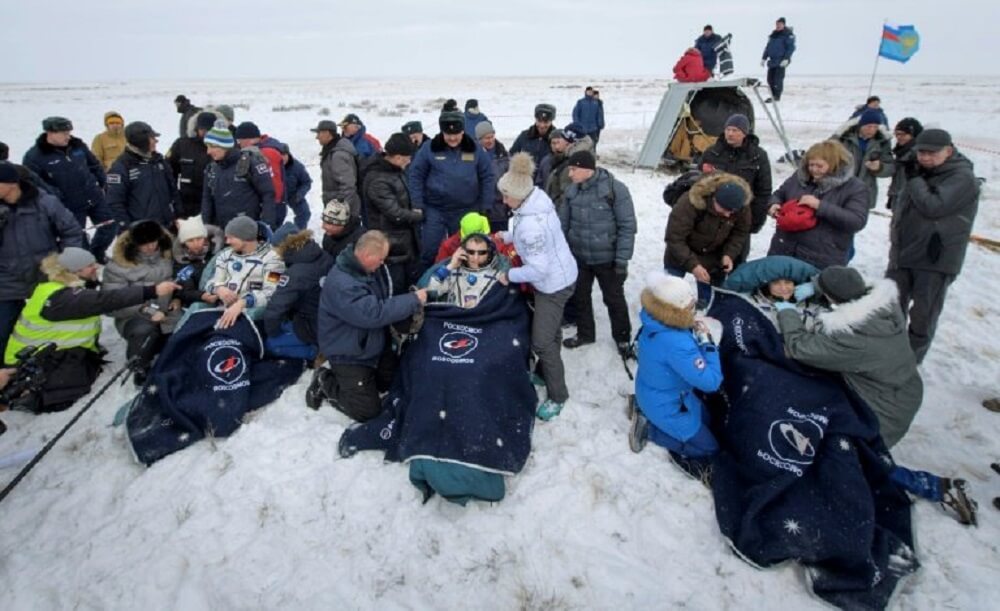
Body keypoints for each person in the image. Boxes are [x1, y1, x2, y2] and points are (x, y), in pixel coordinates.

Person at [777, 266, 977, 524]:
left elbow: (799, 347)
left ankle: (932, 486)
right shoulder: (883, 305)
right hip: (904, 390)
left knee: (842, 459)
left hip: (884, 410)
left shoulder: (854, 338)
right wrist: (816, 286)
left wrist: (787, 312)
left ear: (832, 298)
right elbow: (844, 281)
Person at [3, 247, 179, 412]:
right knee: (73, 382)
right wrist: (152, 291)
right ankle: (30, 396)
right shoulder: (63, 298)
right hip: (30, 364)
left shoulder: (56, 286)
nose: (95, 268)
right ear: (74, 271)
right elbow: (106, 299)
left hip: (44, 353)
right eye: (89, 266)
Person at [495, 153, 577, 420]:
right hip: (559, 275)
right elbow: (526, 231)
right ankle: (544, 372)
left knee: (542, 342)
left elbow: (538, 268)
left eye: (506, 196)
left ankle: (558, 395)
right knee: (550, 333)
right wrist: (508, 236)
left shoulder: (531, 225)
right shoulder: (535, 202)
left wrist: (509, 275)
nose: (503, 200)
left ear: (519, 195)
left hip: (553, 285)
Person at [887, 128, 980, 363]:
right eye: (921, 153)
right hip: (904, 252)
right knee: (891, 306)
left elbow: (933, 206)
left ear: (948, 151)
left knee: (923, 314)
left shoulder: (962, 178)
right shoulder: (920, 171)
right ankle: (888, 356)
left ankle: (909, 363)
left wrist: (915, 180)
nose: (925, 158)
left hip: (934, 258)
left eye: (932, 153)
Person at [312, 230, 427, 421]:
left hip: (370, 343)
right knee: (367, 411)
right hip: (349, 353)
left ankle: (365, 381)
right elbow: (373, 314)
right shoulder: (343, 284)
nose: (383, 263)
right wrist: (412, 300)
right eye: (381, 259)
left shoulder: (364, 269)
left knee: (392, 382)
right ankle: (324, 380)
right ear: (367, 255)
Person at [629, 271, 723, 458]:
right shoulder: (678, 344)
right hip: (667, 404)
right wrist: (707, 343)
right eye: (691, 306)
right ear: (676, 311)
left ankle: (640, 406)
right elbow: (711, 382)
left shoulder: (653, 319)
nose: (695, 310)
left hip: (651, 390)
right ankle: (650, 431)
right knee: (710, 449)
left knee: (710, 420)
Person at [0, 161, 84, 360]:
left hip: (45, 277)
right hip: (6, 282)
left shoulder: (45, 202)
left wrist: (65, 264)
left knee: (56, 324)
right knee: (3, 331)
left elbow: (71, 231)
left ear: (11, 183)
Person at [558, 151, 636, 356]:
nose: (570, 174)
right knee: (580, 297)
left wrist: (622, 260)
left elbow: (627, 226)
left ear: (587, 169)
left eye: (573, 169)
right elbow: (562, 225)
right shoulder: (571, 191)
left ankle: (622, 339)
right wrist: (562, 254)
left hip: (607, 259)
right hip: (579, 257)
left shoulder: (615, 189)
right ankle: (585, 334)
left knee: (614, 299)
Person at [408, 110, 495, 270]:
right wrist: (417, 203)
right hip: (435, 209)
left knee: (465, 249)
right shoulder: (429, 148)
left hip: (466, 208)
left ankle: (462, 278)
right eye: (448, 134)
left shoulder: (474, 148)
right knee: (430, 249)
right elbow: (415, 175)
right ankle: (426, 279)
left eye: (456, 134)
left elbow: (487, 176)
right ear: (442, 132)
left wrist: (486, 204)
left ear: (463, 131)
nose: (453, 138)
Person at [22, 116, 116, 262]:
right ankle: (87, 263)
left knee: (110, 225)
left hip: (94, 196)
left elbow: (94, 164)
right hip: (69, 205)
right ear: (50, 133)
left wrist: (103, 182)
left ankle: (97, 253)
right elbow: (35, 183)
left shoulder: (77, 146)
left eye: (69, 132)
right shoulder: (34, 156)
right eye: (64, 133)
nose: (68, 137)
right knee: (78, 237)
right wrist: (55, 195)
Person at [766, 140, 869, 269]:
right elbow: (780, 194)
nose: (814, 169)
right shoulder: (799, 177)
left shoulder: (854, 188)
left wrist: (820, 206)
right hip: (783, 248)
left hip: (822, 256)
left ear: (834, 164)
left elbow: (856, 221)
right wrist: (774, 204)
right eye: (811, 165)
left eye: (819, 166)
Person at [102, 220, 180, 384]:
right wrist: (149, 310)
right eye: (144, 244)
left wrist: (178, 298)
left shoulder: (170, 253)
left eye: (153, 241)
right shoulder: (118, 265)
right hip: (135, 317)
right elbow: (111, 303)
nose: (151, 247)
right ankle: (140, 366)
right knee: (143, 332)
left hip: (170, 312)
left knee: (187, 331)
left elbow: (183, 279)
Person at [259, 225, 333, 361]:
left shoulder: (295, 274)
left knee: (269, 345)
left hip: (312, 325)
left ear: (282, 247)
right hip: (330, 317)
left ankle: (315, 352)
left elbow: (275, 310)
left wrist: (272, 332)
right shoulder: (321, 255)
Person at [664, 174, 752, 287]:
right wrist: (693, 265)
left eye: (732, 212)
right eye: (724, 209)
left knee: (711, 295)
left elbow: (740, 233)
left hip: (714, 258)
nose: (728, 214)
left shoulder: (740, 205)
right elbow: (674, 238)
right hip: (680, 254)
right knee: (667, 290)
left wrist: (729, 254)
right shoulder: (689, 202)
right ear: (714, 198)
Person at [362, 133, 423, 293]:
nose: (409, 161)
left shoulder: (394, 171)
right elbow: (394, 213)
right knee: (396, 288)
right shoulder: (378, 180)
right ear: (397, 157)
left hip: (403, 242)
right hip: (391, 246)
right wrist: (419, 215)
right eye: (408, 158)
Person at [202, 215, 285, 330]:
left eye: (231, 238)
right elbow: (210, 282)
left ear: (245, 237)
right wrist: (219, 289)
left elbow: (271, 291)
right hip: (220, 310)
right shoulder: (225, 255)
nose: (227, 242)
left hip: (249, 315)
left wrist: (243, 302)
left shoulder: (274, 260)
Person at [699, 113, 773, 240]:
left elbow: (763, 191)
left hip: (741, 217)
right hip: (713, 216)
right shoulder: (712, 153)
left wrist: (755, 221)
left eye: (735, 130)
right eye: (728, 130)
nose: (730, 134)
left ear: (744, 133)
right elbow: (699, 183)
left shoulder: (758, 156)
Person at [201, 121, 277, 229]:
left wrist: (266, 226)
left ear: (224, 146)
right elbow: (207, 200)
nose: (208, 152)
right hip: (222, 231)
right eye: (207, 147)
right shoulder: (211, 169)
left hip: (248, 231)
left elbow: (268, 194)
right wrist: (206, 227)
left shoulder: (250, 163)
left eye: (212, 147)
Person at [106, 121, 179, 229]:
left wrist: (178, 214)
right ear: (141, 142)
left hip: (166, 227)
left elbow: (173, 190)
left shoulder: (159, 161)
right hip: (141, 230)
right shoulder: (122, 167)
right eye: (152, 138)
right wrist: (128, 228)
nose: (156, 141)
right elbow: (114, 202)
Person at [425, 233, 509, 309]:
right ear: (463, 252)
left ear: (489, 254)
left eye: (482, 253)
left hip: (485, 318)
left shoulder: (499, 276)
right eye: (471, 252)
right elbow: (432, 291)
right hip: (457, 318)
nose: (476, 257)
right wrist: (450, 266)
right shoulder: (452, 273)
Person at [834, 109, 895, 209]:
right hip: (839, 188)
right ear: (861, 125)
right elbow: (825, 156)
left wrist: (879, 167)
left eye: (875, 127)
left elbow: (890, 168)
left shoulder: (882, 142)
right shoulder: (843, 137)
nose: (872, 130)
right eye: (869, 126)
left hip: (864, 192)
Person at [166, 111, 215, 219]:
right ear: (197, 128)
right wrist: (175, 200)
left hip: (214, 205)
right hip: (188, 206)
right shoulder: (182, 145)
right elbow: (169, 173)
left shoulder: (223, 146)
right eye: (203, 130)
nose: (206, 133)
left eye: (209, 130)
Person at [234, 122, 286, 218]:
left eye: (239, 141)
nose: (239, 144)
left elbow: (273, 183)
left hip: (271, 207)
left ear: (248, 140)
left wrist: (269, 209)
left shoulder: (266, 153)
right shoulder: (264, 150)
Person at [171, 215, 224, 308]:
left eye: (199, 239)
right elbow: (184, 290)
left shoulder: (220, 253)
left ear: (205, 238)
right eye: (190, 240)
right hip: (199, 303)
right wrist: (201, 296)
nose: (196, 244)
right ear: (184, 243)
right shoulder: (181, 262)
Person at [312, 119, 361, 216]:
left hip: (341, 212)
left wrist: (338, 211)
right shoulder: (330, 151)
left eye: (319, 133)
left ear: (327, 133)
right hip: (336, 208)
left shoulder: (338, 155)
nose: (317, 137)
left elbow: (348, 186)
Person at [542, 126, 594, 207]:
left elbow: (567, 196)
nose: (557, 146)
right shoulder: (562, 158)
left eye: (561, 140)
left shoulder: (572, 165)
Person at [475, 120, 511, 231]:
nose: (490, 140)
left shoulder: (503, 154)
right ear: (479, 139)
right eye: (486, 138)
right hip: (481, 208)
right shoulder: (473, 156)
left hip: (501, 209)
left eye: (492, 137)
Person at [886, 117, 923, 210]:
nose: (899, 137)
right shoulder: (902, 152)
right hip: (899, 198)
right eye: (897, 134)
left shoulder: (919, 154)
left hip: (912, 202)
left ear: (914, 134)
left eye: (903, 134)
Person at [510, 103, 557, 174]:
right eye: (539, 121)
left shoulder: (557, 139)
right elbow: (511, 155)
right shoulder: (524, 136)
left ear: (551, 121)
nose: (542, 125)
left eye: (546, 122)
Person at [276, 142, 313, 230]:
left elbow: (306, 182)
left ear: (288, 154)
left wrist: (298, 195)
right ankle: (275, 235)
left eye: (284, 155)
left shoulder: (297, 167)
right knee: (275, 218)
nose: (282, 158)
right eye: (279, 155)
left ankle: (298, 233)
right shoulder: (272, 165)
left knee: (304, 213)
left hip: (293, 194)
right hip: (277, 197)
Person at [761, 17, 796, 102]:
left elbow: (791, 48)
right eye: (777, 24)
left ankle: (777, 96)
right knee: (770, 79)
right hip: (772, 61)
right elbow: (768, 47)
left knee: (778, 79)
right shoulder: (773, 35)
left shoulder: (787, 35)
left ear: (783, 25)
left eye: (780, 24)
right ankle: (773, 95)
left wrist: (786, 58)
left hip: (781, 61)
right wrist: (764, 58)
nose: (778, 26)